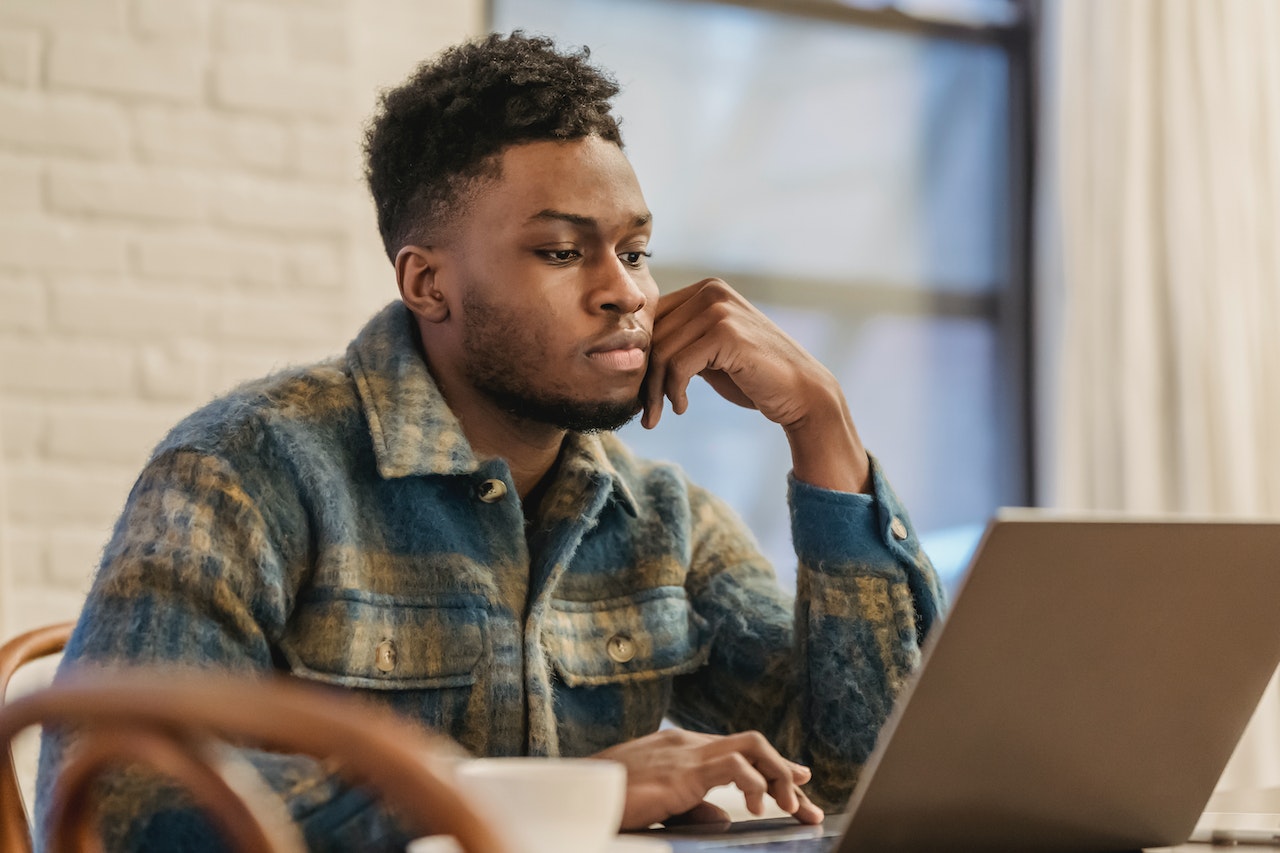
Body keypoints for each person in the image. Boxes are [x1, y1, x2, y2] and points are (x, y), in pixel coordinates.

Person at [36, 31, 944, 852]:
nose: (626, 292)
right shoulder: (245, 468)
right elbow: (117, 807)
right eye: (562, 251)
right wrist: (565, 797)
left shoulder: (661, 518)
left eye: (634, 250)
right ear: (428, 283)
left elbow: (863, 774)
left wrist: (822, 427)